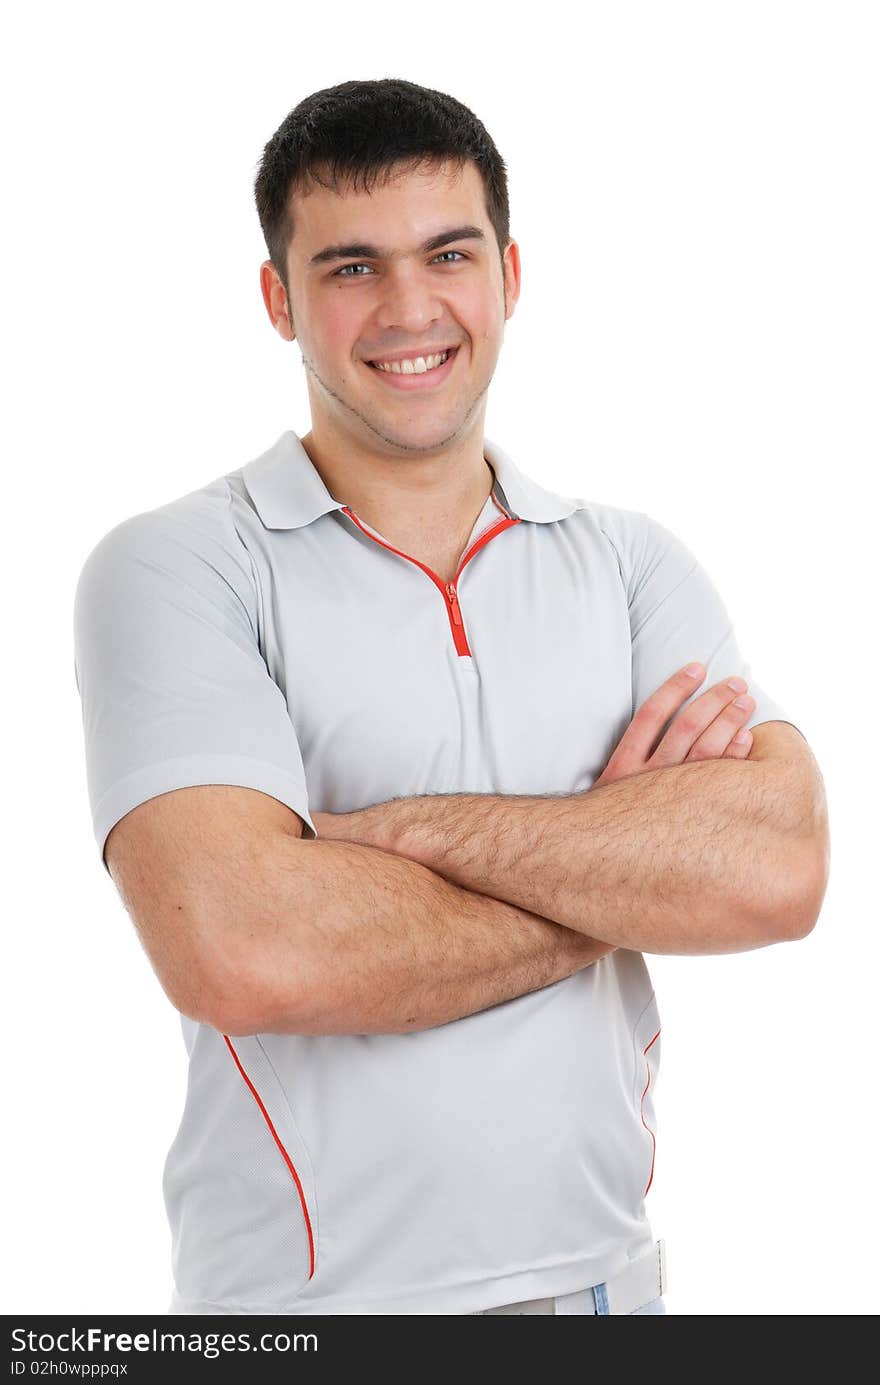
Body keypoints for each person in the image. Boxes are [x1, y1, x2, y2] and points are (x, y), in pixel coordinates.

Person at [72, 78, 829, 1317]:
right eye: (352, 266)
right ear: (280, 300)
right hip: (303, 1315)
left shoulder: (634, 562)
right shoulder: (178, 566)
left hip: (605, 1292)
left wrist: (385, 835)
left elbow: (777, 870)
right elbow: (241, 947)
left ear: (511, 274)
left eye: (448, 253)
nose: (409, 309)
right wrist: (616, 867)